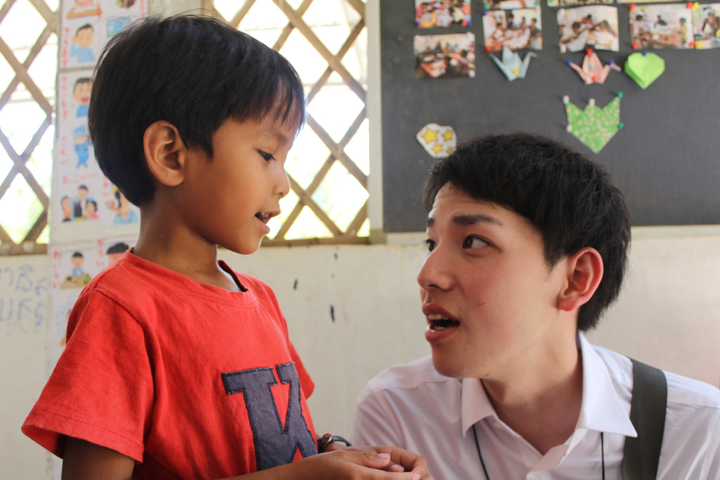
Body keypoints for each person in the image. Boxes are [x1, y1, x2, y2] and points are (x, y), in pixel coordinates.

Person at [23, 15, 430, 480]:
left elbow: (275, 445)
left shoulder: (261, 300)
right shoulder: (121, 311)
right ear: (170, 154)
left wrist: (339, 455)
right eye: (267, 155)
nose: (284, 184)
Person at [353, 133, 720, 479]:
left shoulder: (697, 431)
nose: (427, 275)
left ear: (576, 278)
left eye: (474, 241)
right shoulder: (398, 412)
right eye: (431, 244)